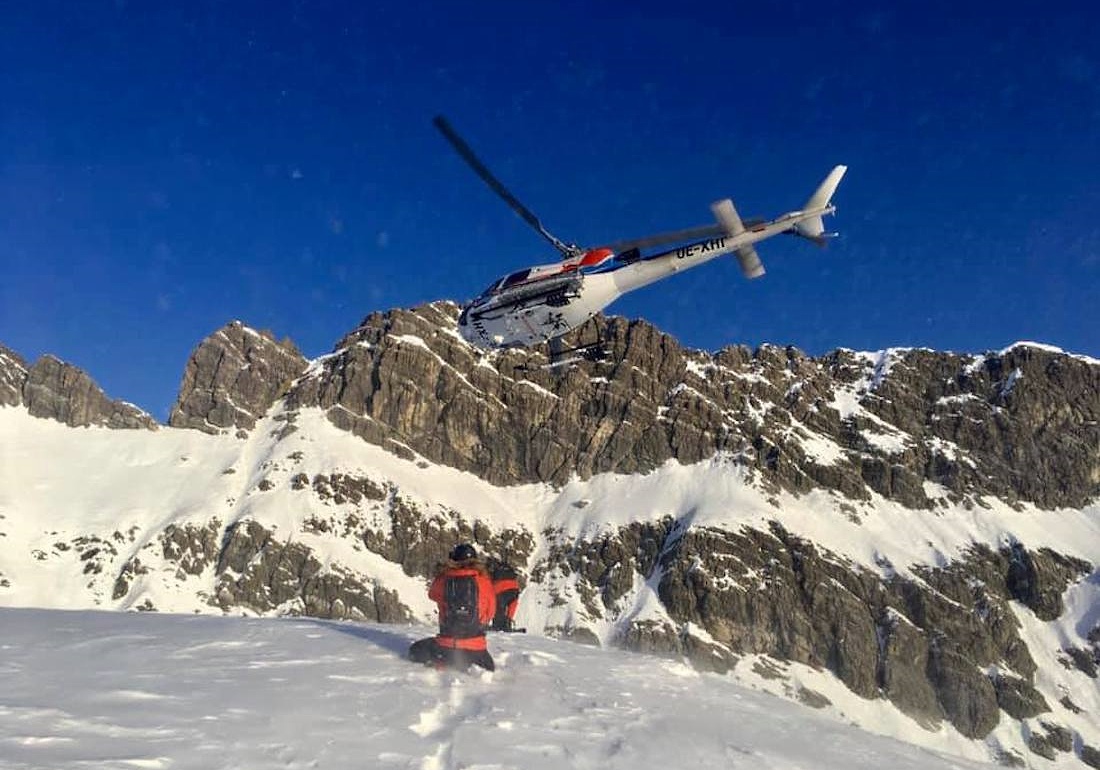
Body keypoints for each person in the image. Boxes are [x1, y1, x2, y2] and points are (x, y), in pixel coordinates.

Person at [408, 543, 496, 671]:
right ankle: (468, 665)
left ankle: (443, 662)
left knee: (415, 650)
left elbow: (432, 594)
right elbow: (490, 612)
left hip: (446, 647)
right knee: (489, 668)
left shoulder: (444, 579)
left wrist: (443, 573)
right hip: (476, 650)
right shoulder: (484, 581)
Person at [488, 558, 521, 632]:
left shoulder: (494, 572)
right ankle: (507, 623)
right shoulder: (508, 570)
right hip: (514, 588)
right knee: (512, 606)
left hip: (500, 589)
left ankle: (498, 625)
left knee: (499, 608)